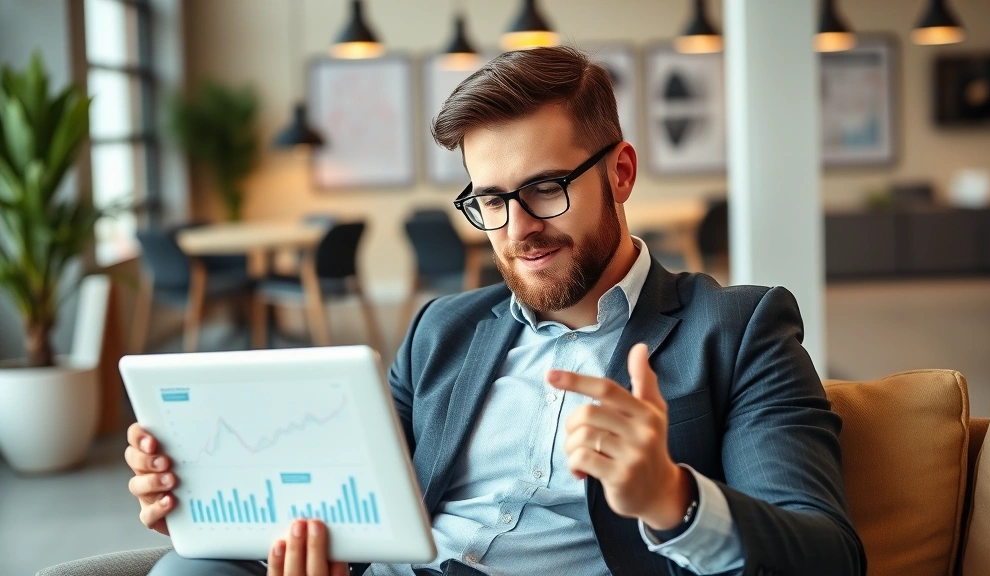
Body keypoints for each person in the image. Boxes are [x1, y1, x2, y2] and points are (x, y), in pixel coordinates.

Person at [126, 46, 865, 576]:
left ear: (620, 173)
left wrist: (673, 499)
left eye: (546, 188)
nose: (518, 228)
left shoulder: (737, 329)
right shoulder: (441, 330)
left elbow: (829, 553)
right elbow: (355, 499)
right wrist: (210, 498)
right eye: (490, 200)